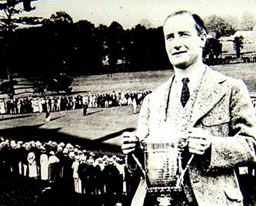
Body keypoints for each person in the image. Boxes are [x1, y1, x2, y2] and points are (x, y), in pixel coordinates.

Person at [122, 10, 256, 206]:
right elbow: (142, 166)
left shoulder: (231, 88)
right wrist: (132, 150)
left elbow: (251, 145)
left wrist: (212, 147)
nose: (176, 43)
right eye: (170, 37)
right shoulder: (153, 99)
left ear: (202, 39)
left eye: (183, 34)